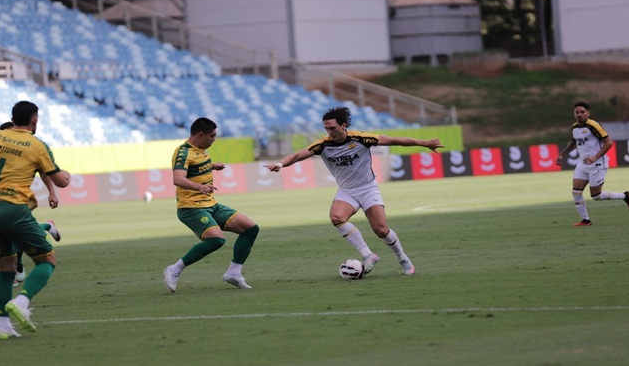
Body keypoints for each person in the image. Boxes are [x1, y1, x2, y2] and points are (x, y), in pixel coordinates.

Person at [265, 106, 444, 276]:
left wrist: (425, 143)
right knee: (336, 217)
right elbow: (297, 155)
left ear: (343, 125)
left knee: (381, 230)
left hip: (368, 188)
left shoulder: (361, 139)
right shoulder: (323, 145)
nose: (329, 132)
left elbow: (394, 140)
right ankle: (368, 255)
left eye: (332, 128)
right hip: (347, 191)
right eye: (326, 128)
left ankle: (403, 259)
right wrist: (280, 164)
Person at [0, 101, 71, 340]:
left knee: (6, 269)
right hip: (13, 209)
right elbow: (62, 181)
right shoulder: (37, 145)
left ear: (12, 118)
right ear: (34, 120)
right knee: (47, 260)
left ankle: (2, 326)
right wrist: (66, 175)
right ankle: (22, 301)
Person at [163, 117, 260, 292]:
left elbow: (195, 167)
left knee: (250, 229)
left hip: (211, 205)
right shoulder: (183, 152)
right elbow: (178, 179)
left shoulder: (201, 150)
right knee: (216, 239)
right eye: (212, 136)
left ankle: (234, 273)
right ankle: (174, 269)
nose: (214, 140)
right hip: (191, 207)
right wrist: (199, 187)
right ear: (201, 134)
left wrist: (212, 166)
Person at [0, 122, 62, 281]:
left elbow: (43, 171)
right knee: (12, 231)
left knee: (13, 231)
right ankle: (46, 228)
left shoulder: (27, 147)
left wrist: (52, 193)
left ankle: (16, 269)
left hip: (18, 198)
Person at [556, 101, 629, 227]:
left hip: (597, 163)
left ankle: (624, 196)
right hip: (582, 163)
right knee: (576, 191)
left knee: (596, 196)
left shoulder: (594, 126)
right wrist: (562, 154)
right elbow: (574, 143)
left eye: (582, 112)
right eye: (577, 112)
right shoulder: (575, 127)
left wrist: (595, 157)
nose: (579, 114)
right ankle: (585, 220)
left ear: (588, 113)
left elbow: (609, 142)